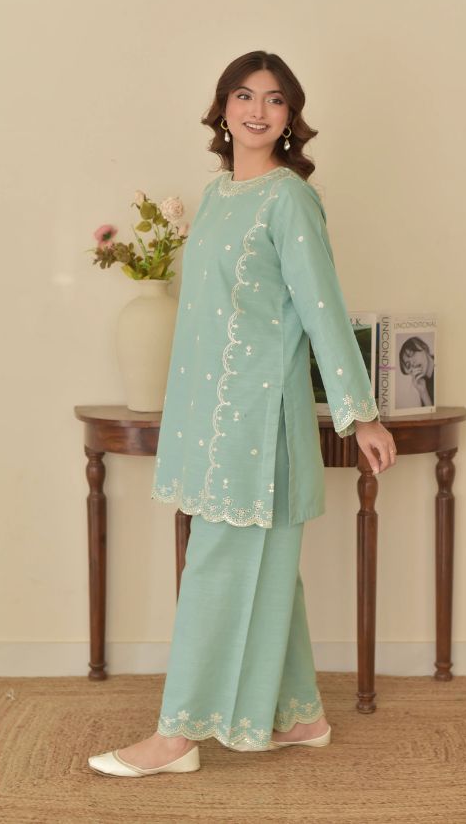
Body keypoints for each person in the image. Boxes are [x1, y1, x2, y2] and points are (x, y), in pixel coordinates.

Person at [89, 50, 397, 778]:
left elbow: (322, 310)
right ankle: (302, 717)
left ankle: (175, 736)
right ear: (222, 108)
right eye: (243, 95)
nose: (258, 110)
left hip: (257, 422)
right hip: (211, 418)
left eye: (276, 99)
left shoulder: (289, 199)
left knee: (215, 569)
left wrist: (362, 417)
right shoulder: (219, 195)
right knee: (265, 569)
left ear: (291, 117)